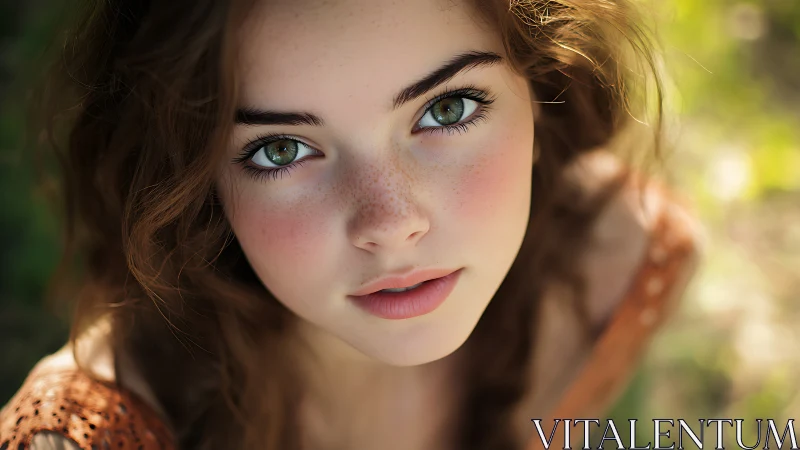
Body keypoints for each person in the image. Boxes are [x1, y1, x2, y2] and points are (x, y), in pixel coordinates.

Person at [0, 0, 702, 449]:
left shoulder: (618, 264)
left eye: (449, 109)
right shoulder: (88, 436)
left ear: (541, 97)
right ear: (196, 183)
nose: (391, 224)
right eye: (282, 150)